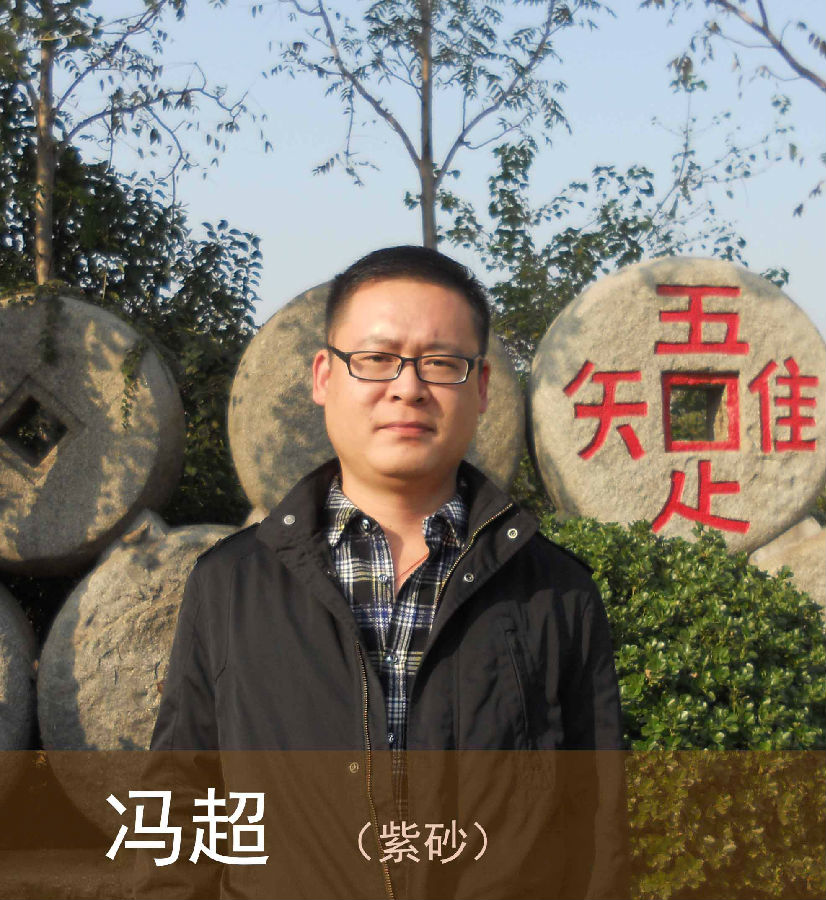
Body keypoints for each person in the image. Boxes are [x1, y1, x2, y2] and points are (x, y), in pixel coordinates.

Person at [137, 246, 628, 900]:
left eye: (441, 363)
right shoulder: (230, 584)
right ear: (324, 376)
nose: (408, 387)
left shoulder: (554, 590)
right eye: (375, 358)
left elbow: (598, 832)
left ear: (482, 387)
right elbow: (178, 815)